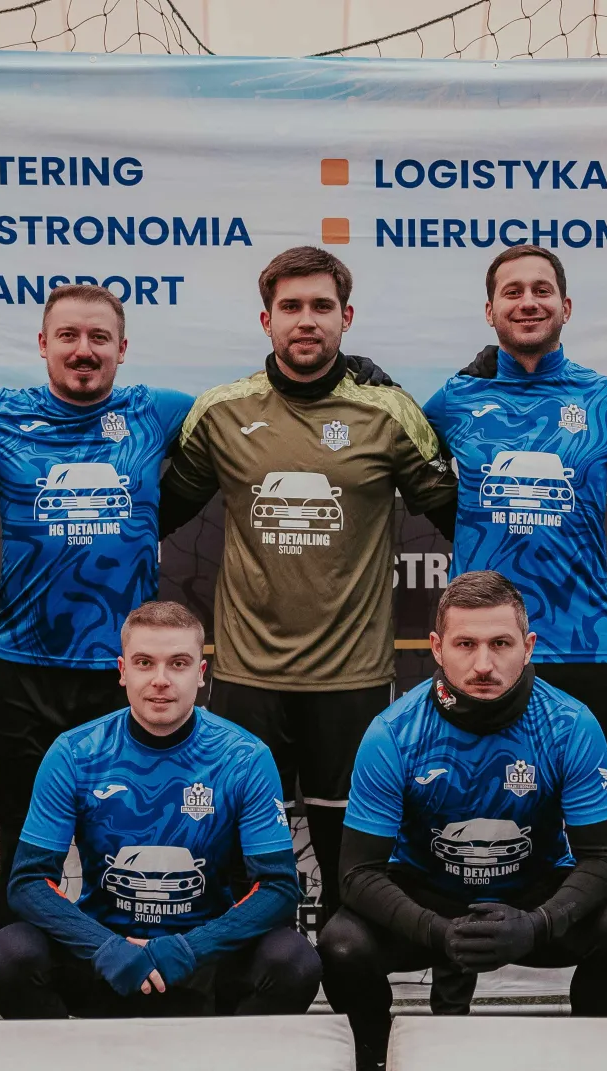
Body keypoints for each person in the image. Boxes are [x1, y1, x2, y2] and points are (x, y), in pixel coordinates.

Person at [161, 246, 459, 906]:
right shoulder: (221, 412)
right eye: (290, 306)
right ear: (265, 319)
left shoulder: (389, 412)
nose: (306, 319)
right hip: (246, 678)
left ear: (345, 317)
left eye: (322, 306)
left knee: (352, 877)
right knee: (239, 867)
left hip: (351, 680)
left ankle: (346, 958)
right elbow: (149, 519)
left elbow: (465, 524)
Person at [319, 572, 607, 1071]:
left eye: (500, 644)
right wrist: (435, 931)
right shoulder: (393, 732)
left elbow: (606, 859)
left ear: (529, 646)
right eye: (465, 644)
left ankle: (596, 1068)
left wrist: (538, 925)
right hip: (430, 897)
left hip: (530, 895)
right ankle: (374, 1065)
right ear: (436, 648)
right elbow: (357, 873)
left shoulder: (569, 723)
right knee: (341, 942)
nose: (483, 664)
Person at [0, 285, 196, 924]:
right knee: (26, 841)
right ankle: (22, 968)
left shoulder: (159, 411)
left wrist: (353, 375)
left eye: (98, 337)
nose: (83, 350)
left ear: (122, 348)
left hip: (126, 673)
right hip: (25, 671)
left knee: (133, 835)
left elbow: (261, 412)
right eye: (68, 336)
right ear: (43, 344)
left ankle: (132, 966)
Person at [424, 243, 607, 795]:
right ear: (490, 311)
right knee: (479, 806)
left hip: (583, 644)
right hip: (480, 646)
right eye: (513, 292)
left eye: (541, 290)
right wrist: (366, 384)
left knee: (595, 818)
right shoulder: (457, 397)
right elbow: (392, 453)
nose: (528, 302)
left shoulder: (605, 400)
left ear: (565, 307)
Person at [0, 600, 320, 1018]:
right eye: (145, 663)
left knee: (292, 960)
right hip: (106, 962)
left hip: (203, 963)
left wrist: (187, 949)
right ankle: (73, 1057)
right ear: (123, 671)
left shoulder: (245, 756)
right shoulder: (75, 752)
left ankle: (228, 1057)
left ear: (201, 673)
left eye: (178, 664)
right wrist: (106, 947)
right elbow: (28, 882)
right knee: (9, 955)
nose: (161, 680)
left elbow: (279, 887)